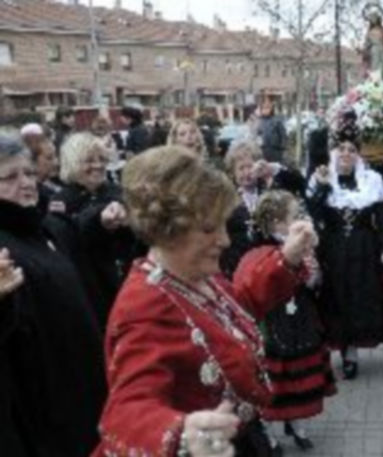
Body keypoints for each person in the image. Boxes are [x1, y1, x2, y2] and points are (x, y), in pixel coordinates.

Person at [93, 146, 318, 456]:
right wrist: (181, 433)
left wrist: (288, 257)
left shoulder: (195, 276)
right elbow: (126, 409)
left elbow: (239, 306)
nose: (225, 240)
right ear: (170, 229)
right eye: (210, 229)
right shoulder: (144, 305)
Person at [0, 134, 106, 457]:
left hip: (84, 391)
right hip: (43, 415)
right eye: (10, 177)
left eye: (29, 173)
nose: (27, 183)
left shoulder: (48, 227)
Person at [234, 190, 336, 453]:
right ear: (278, 223)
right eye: (294, 216)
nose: (301, 218)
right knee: (272, 379)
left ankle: (296, 423)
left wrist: (313, 273)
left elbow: (315, 284)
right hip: (272, 323)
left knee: (298, 374)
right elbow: (253, 289)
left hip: (300, 320)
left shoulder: (302, 245)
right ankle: (268, 432)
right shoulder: (260, 251)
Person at [307, 123, 383, 380]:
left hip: (363, 249)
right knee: (335, 298)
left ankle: (351, 352)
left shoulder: (372, 182)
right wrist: (322, 186)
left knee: (358, 299)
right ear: (334, 152)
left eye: (351, 150)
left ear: (358, 155)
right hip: (332, 248)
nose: (346, 153)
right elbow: (313, 213)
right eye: (341, 149)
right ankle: (339, 349)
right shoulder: (321, 177)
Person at [49, 132, 139, 328]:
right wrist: (100, 220)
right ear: (73, 163)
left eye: (101, 159)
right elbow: (68, 241)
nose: (98, 165)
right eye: (89, 160)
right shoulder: (60, 201)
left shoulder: (118, 192)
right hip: (89, 289)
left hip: (126, 283)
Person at [220, 141, 307, 277]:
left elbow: (300, 184)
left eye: (250, 167)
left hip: (273, 262)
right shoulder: (228, 198)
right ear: (233, 172)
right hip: (242, 267)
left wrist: (273, 169)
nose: (246, 173)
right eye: (241, 168)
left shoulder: (270, 189)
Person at [258, 97, 287, 164]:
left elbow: (283, 135)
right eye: (264, 108)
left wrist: (282, 150)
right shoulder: (259, 122)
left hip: (276, 151)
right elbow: (256, 135)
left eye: (268, 108)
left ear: (271, 109)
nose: (266, 110)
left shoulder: (277, 121)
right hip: (263, 151)